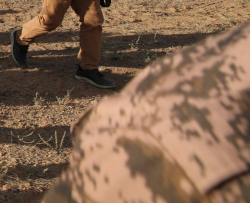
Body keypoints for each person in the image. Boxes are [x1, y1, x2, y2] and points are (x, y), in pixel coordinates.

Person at [44, 21, 250, 202]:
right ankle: (22, 38)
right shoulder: (162, 134)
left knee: (93, 20)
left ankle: (87, 68)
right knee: (50, 19)